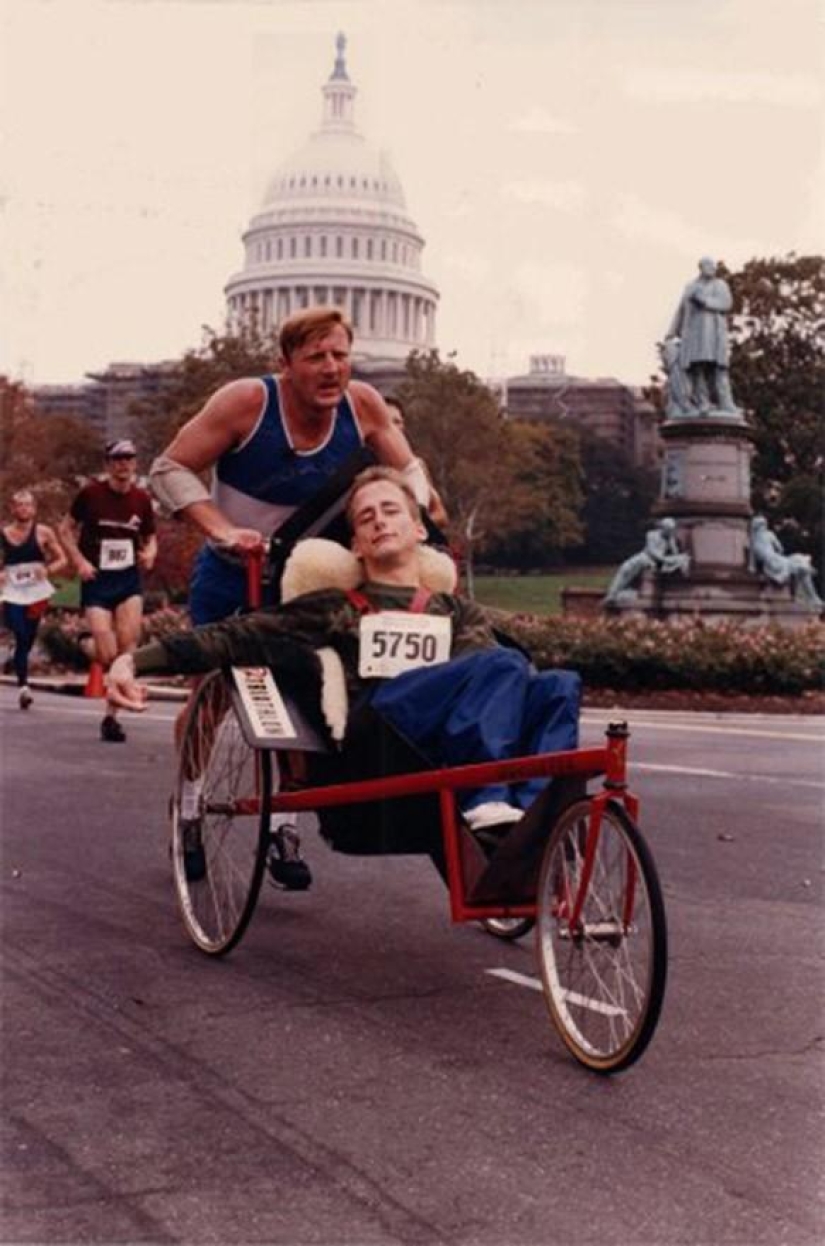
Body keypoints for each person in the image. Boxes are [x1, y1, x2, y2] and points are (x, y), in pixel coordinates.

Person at [108, 466, 580, 878]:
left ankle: (539, 818)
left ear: (419, 530)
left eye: (391, 510)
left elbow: (487, 677)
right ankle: (486, 802)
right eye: (365, 517)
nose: (378, 520)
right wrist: (133, 660)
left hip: (441, 742)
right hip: (377, 735)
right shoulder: (336, 607)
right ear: (355, 544)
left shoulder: (458, 613)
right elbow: (233, 636)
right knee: (501, 663)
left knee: (558, 685)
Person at [149, 305, 432, 889]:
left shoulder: (364, 406)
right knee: (218, 693)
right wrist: (221, 528)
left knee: (306, 693)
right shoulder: (247, 403)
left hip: (306, 577)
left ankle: (286, 823)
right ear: (286, 364)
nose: (331, 369)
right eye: (316, 358)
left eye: (340, 355)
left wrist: (423, 513)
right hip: (235, 570)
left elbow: (412, 473)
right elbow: (169, 469)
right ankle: (192, 804)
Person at [59, 439, 157, 742]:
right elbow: (65, 529)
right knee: (106, 652)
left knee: (127, 650)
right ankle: (86, 642)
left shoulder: (142, 499)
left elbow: (151, 536)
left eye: (128, 459)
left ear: (135, 464)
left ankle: (111, 718)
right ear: (107, 465)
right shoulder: (90, 494)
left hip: (127, 580)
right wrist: (80, 562)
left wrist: (150, 553)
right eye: (117, 459)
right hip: (97, 580)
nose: (123, 464)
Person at [0, 489, 67, 709]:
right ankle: (24, 687)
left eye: (27, 505)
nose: (23, 509)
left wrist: (48, 570)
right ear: (12, 509)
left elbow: (62, 560)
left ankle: (19, 666)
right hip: (12, 591)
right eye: (19, 505)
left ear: (34, 509)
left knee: (28, 637)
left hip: (37, 593)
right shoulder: (4, 533)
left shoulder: (43, 533)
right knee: (19, 633)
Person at [666, 257, 739, 415]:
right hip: (693, 335)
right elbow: (681, 310)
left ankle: (726, 403)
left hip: (713, 334)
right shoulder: (690, 287)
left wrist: (704, 301)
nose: (713, 269)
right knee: (697, 368)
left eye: (714, 266)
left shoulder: (720, 285)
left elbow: (726, 303)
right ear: (701, 267)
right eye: (709, 266)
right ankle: (702, 402)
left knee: (718, 369)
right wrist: (671, 332)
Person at [385, 396, 450, 530]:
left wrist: (410, 527)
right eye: (387, 422)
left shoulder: (416, 467)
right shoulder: (361, 467)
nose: (393, 428)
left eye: (397, 422)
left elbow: (441, 515)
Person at [604, 517, 690, 605]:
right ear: (663, 528)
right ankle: (612, 595)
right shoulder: (651, 535)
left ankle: (619, 594)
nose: (670, 532)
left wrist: (673, 548)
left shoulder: (670, 538)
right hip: (645, 558)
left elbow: (674, 553)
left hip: (655, 563)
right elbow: (654, 554)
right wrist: (670, 560)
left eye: (671, 530)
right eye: (668, 530)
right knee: (625, 568)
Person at [749, 516, 823, 608]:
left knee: (799, 564)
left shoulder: (753, 541)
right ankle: (812, 597)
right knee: (801, 567)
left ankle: (811, 596)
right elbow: (780, 549)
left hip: (772, 564)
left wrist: (753, 568)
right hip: (776, 563)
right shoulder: (769, 535)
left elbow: (752, 563)